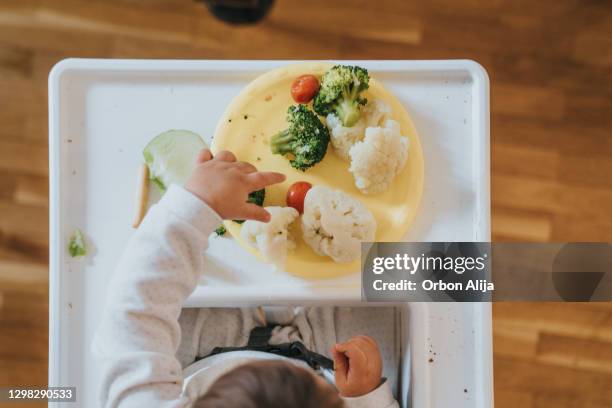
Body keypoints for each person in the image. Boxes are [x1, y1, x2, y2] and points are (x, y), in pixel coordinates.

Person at [93, 149, 401, 407]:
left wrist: (196, 205)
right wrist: (364, 397)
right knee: (439, 268)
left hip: (202, 349)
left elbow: (134, 313)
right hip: (328, 355)